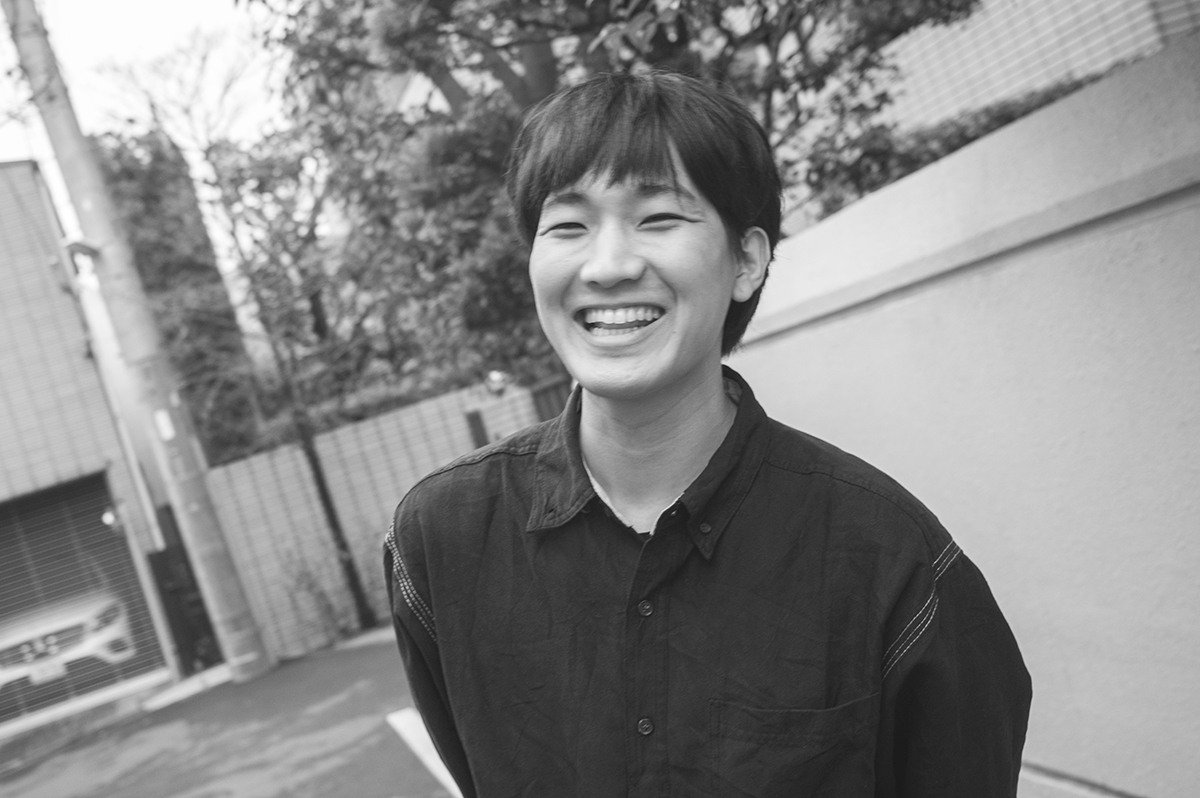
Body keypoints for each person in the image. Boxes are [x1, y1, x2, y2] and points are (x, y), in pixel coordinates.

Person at [385, 71, 1032, 797]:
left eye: (658, 217)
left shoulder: (889, 558)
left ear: (747, 261)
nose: (608, 266)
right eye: (567, 226)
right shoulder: (442, 539)